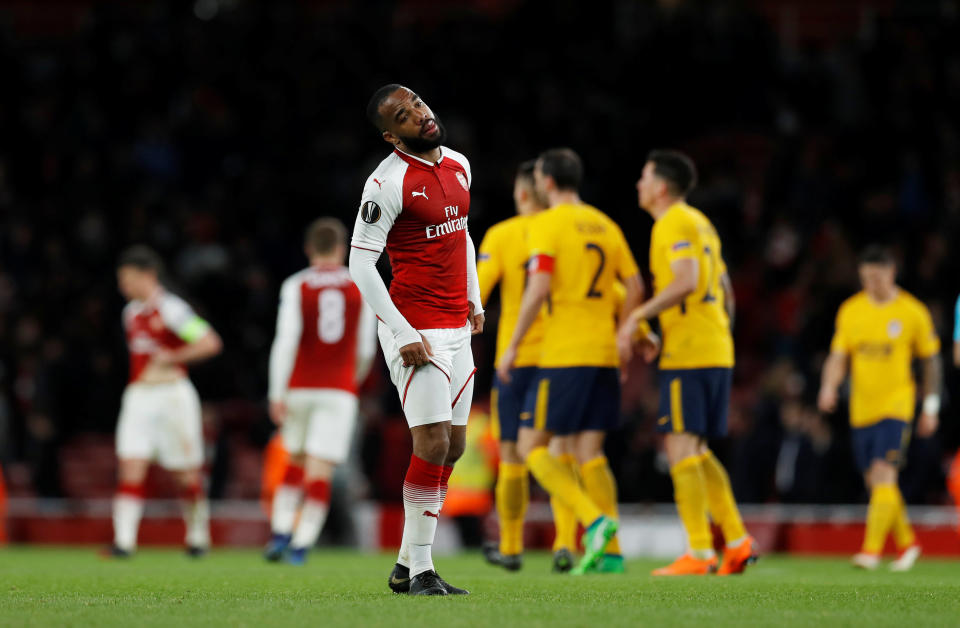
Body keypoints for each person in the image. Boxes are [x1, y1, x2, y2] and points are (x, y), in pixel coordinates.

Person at [349, 84, 483, 596]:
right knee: (430, 441)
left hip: (454, 323)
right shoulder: (385, 182)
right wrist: (401, 331)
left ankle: (406, 564)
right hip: (415, 327)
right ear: (392, 136)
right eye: (405, 116)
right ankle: (423, 570)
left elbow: (462, 232)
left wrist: (474, 297)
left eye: (419, 104)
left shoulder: (459, 165)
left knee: (454, 446)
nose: (421, 116)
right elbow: (360, 263)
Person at [498, 147, 650, 575]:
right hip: (602, 352)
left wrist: (512, 344)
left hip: (565, 353)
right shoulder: (605, 224)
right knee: (590, 452)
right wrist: (626, 334)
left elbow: (538, 288)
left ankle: (594, 520)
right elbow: (635, 286)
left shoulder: (548, 224)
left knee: (531, 447)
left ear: (546, 183)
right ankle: (613, 553)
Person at [619, 150, 756, 576]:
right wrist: (712, 335)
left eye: (643, 177)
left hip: (693, 351)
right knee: (694, 447)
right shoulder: (702, 224)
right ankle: (736, 540)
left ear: (661, 186)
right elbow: (726, 292)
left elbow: (686, 281)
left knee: (679, 447)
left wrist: (637, 316)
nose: (638, 185)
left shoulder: (672, 222)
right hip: (713, 346)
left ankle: (699, 551)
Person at [477, 160, 579, 572]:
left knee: (511, 456)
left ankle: (512, 546)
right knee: (560, 452)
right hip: (563, 355)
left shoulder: (503, 235)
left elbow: (476, 292)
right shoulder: (568, 229)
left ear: (522, 194)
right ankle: (567, 545)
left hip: (516, 360)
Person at [818, 245, 941, 571]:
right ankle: (909, 544)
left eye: (876, 277)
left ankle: (870, 552)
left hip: (897, 406)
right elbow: (838, 355)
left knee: (885, 474)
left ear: (891, 273)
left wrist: (930, 405)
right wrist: (828, 386)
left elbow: (931, 363)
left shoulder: (912, 312)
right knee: (878, 483)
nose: (871, 284)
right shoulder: (851, 310)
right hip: (861, 409)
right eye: (865, 278)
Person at [263, 217, 377, 565]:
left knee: (295, 460)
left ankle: (281, 530)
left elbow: (286, 341)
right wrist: (351, 380)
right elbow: (366, 349)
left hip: (299, 386)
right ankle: (301, 544)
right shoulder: (361, 283)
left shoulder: (297, 284)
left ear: (309, 249)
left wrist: (276, 392)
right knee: (321, 468)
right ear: (342, 249)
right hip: (338, 389)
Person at [108, 245, 223, 557]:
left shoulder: (172, 309)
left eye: (129, 280)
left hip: (173, 396)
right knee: (131, 464)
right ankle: (124, 542)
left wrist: (173, 355)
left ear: (148, 276)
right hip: (139, 396)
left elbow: (209, 342)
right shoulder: (130, 313)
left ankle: (198, 537)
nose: (124, 287)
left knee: (186, 473)